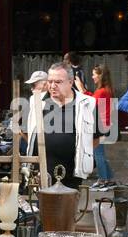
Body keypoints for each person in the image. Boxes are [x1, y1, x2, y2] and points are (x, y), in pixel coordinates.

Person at [26, 61, 99, 189]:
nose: (52, 86)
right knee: (40, 208)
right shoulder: (36, 101)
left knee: (68, 208)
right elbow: (27, 132)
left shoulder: (87, 104)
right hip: (41, 173)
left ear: (71, 82)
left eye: (58, 82)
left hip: (71, 174)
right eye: (50, 81)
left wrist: (81, 153)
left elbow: (96, 138)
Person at [91, 64, 115, 183]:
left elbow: (91, 104)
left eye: (94, 74)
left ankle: (103, 179)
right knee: (100, 153)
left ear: (100, 76)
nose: (92, 77)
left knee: (98, 154)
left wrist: (81, 90)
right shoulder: (107, 90)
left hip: (99, 125)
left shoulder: (101, 91)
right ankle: (108, 177)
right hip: (104, 124)